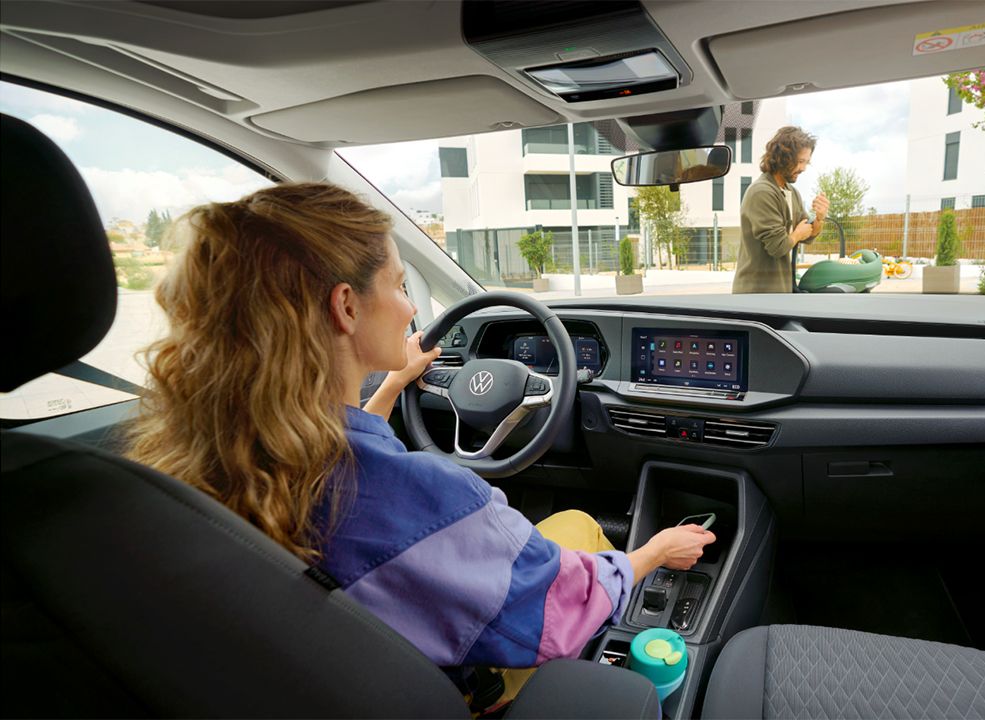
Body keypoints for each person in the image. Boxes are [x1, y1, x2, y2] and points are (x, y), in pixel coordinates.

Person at [127, 183, 715, 708]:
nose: (411, 309)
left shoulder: (187, 461)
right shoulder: (431, 500)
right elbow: (557, 612)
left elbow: (343, 438)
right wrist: (654, 553)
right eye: (401, 286)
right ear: (346, 306)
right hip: (444, 687)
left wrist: (393, 384)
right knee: (580, 525)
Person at [733, 126, 830, 293]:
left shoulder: (791, 192)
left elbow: (808, 235)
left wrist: (820, 218)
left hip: (778, 292)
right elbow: (778, 247)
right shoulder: (762, 192)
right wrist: (798, 234)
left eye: (807, 162)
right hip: (755, 295)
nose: (804, 168)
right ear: (783, 158)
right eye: (800, 161)